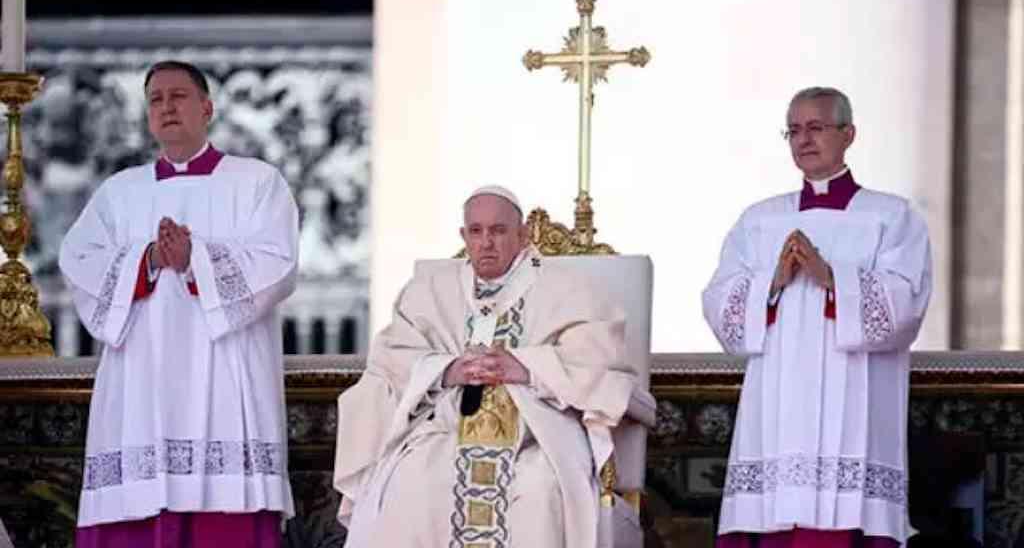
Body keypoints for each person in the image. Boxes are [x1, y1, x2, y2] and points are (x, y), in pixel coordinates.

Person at [58, 60, 299, 547]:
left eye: (178, 96)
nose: (166, 107)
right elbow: (77, 258)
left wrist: (196, 261)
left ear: (207, 108)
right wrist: (146, 259)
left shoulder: (257, 182)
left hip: (227, 373)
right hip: (141, 378)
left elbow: (278, 261)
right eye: (155, 99)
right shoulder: (120, 192)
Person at [332, 185, 639, 547]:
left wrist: (526, 367)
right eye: (476, 231)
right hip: (445, 433)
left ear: (523, 235)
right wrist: (446, 370)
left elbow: (597, 362)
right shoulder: (430, 290)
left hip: (536, 439)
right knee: (411, 481)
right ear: (464, 236)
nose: (486, 243)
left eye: (498, 230)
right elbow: (390, 361)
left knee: (539, 492)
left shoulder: (568, 288)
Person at [702, 87, 933, 547]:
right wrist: (771, 281)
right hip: (778, 397)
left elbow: (906, 304)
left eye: (816, 127)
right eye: (793, 130)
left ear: (849, 134)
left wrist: (832, 278)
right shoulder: (759, 220)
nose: (803, 139)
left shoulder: (891, 216)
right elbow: (720, 305)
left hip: (855, 395)